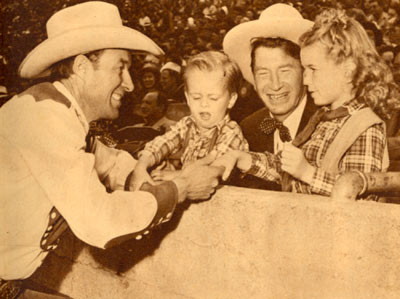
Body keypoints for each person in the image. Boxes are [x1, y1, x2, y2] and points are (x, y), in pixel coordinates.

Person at [0, 2, 221, 297]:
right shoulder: (44, 117)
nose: (129, 84)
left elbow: (107, 161)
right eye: (121, 68)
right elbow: (100, 223)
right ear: (81, 67)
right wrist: (180, 187)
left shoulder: (57, 111)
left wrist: (142, 171)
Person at [215, 8, 400, 197]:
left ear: (348, 70)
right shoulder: (324, 119)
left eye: (312, 69)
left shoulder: (365, 126)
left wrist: (307, 173)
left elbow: (359, 196)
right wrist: (243, 158)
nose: (305, 80)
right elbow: (286, 167)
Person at [222, 3, 317, 190]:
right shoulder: (247, 128)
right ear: (254, 80)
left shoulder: (327, 123)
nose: (275, 84)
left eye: (285, 71)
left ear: (304, 72)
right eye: (263, 73)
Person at [131, 51, 249, 189]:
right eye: (196, 97)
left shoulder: (231, 131)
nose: (204, 104)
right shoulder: (187, 124)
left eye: (213, 98)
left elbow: (213, 170)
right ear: (187, 98)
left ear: (231, 100)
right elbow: (161, 143)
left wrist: (174, 175)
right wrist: (142, 165)